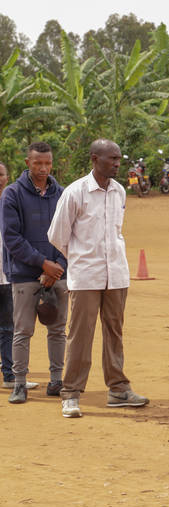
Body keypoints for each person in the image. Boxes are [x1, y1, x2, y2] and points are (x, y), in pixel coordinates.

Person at [48, 139, 149, 418]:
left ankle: (118, 389)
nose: (117, 164)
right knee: (80, 335)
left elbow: (115, 231)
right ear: (95, 159)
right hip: (86, 277)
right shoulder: (75, 192)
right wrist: (81, 258)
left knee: (114, 333)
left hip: (116, 274)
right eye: (111, 159)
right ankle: (70, 393)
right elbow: (57, 236)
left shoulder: (119, 192)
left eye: (119, 159)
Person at [2, 143, 69, 403]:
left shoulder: (62, 194)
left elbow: (70, 234)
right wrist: (43, 264)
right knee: (23, 330)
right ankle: (19, 383)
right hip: (24, 275)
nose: (43, 168)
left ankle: (56, 380)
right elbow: (11, 238)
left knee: (57, 329)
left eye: (47, 163)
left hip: (58, 275)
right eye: (37, 163)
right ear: (27, 162)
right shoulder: (12, 194)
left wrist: (57, 267)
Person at [0, 161, 15, 390]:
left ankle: (9, 374)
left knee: (8, 326)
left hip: (8, 274)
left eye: (1, 174)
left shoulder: (12, 200)